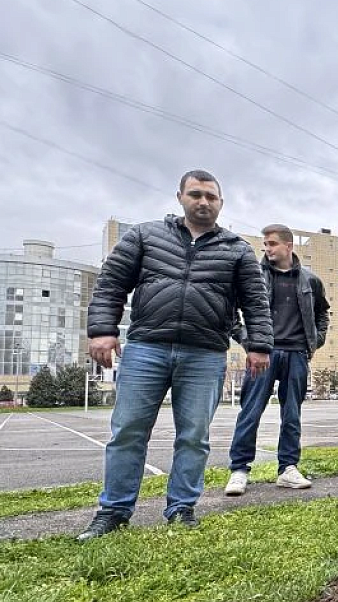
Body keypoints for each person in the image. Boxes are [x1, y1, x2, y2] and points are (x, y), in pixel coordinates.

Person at [77, 170, 273, 540]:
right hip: (146, 349)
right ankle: (113, 512)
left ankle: (182, 508)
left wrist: (259, 345)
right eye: (196, 194)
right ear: (180, 197)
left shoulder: (237, 249)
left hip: (205, 354)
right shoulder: (145, 236)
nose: (203, 202)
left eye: (211, 196)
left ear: (220, 203)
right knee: (128, 431)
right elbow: (111, 284)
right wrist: (102, 329)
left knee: (194, 436)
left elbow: (256, 303)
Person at [224, 223, 331, 496]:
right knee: (250, 411)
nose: (267, 249)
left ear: (288, 246)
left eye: (272, 243)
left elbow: (322, 313)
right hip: (263, 354)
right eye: (265, 244)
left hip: (297, 354)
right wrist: (249, 343)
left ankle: (288, 469)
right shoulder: (254, 277)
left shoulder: (310, 280)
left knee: (292, 414)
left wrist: (316, 340)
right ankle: (239, 470)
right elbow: (231, 313)